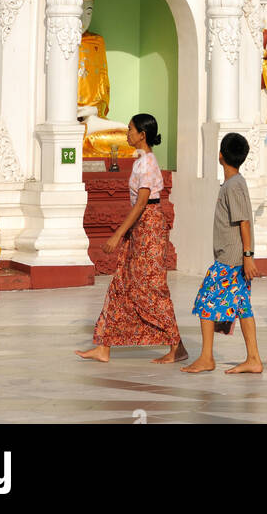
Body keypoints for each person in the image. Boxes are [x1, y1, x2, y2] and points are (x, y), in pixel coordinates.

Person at [76, 114, 185, 365]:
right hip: (140, 227)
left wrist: (117, 234)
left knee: (150, 286)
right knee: (121, 283)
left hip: (148, 227)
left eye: (130, 129)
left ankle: (175, 344)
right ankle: (104, 346)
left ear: (142, 135)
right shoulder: (140, 162)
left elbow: (143, 203)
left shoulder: (147, 163)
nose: (126, 133)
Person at [184, 132, 262, 376]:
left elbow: (244, 223)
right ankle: (253, 359)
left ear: (220, 156)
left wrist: (247, 256)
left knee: (205, 301)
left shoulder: (234, 186)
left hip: (231, 259)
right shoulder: (233, 184)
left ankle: (207, 357)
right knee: (242, 306)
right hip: (234, 257)